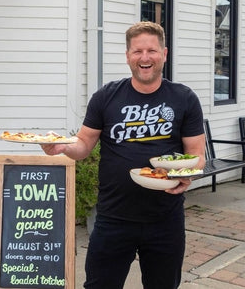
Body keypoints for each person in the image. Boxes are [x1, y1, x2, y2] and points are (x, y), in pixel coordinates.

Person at [41, 21, 206, 289]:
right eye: (137, 51)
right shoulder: (106, 96)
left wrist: (187, 175)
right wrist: (62, 147)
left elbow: (197, 155)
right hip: (113, 218)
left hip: (165, 219)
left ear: (164, 54)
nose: (145, 58)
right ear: (128, 56)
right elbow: (83, 145)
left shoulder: (184, 98)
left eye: (152, 51)